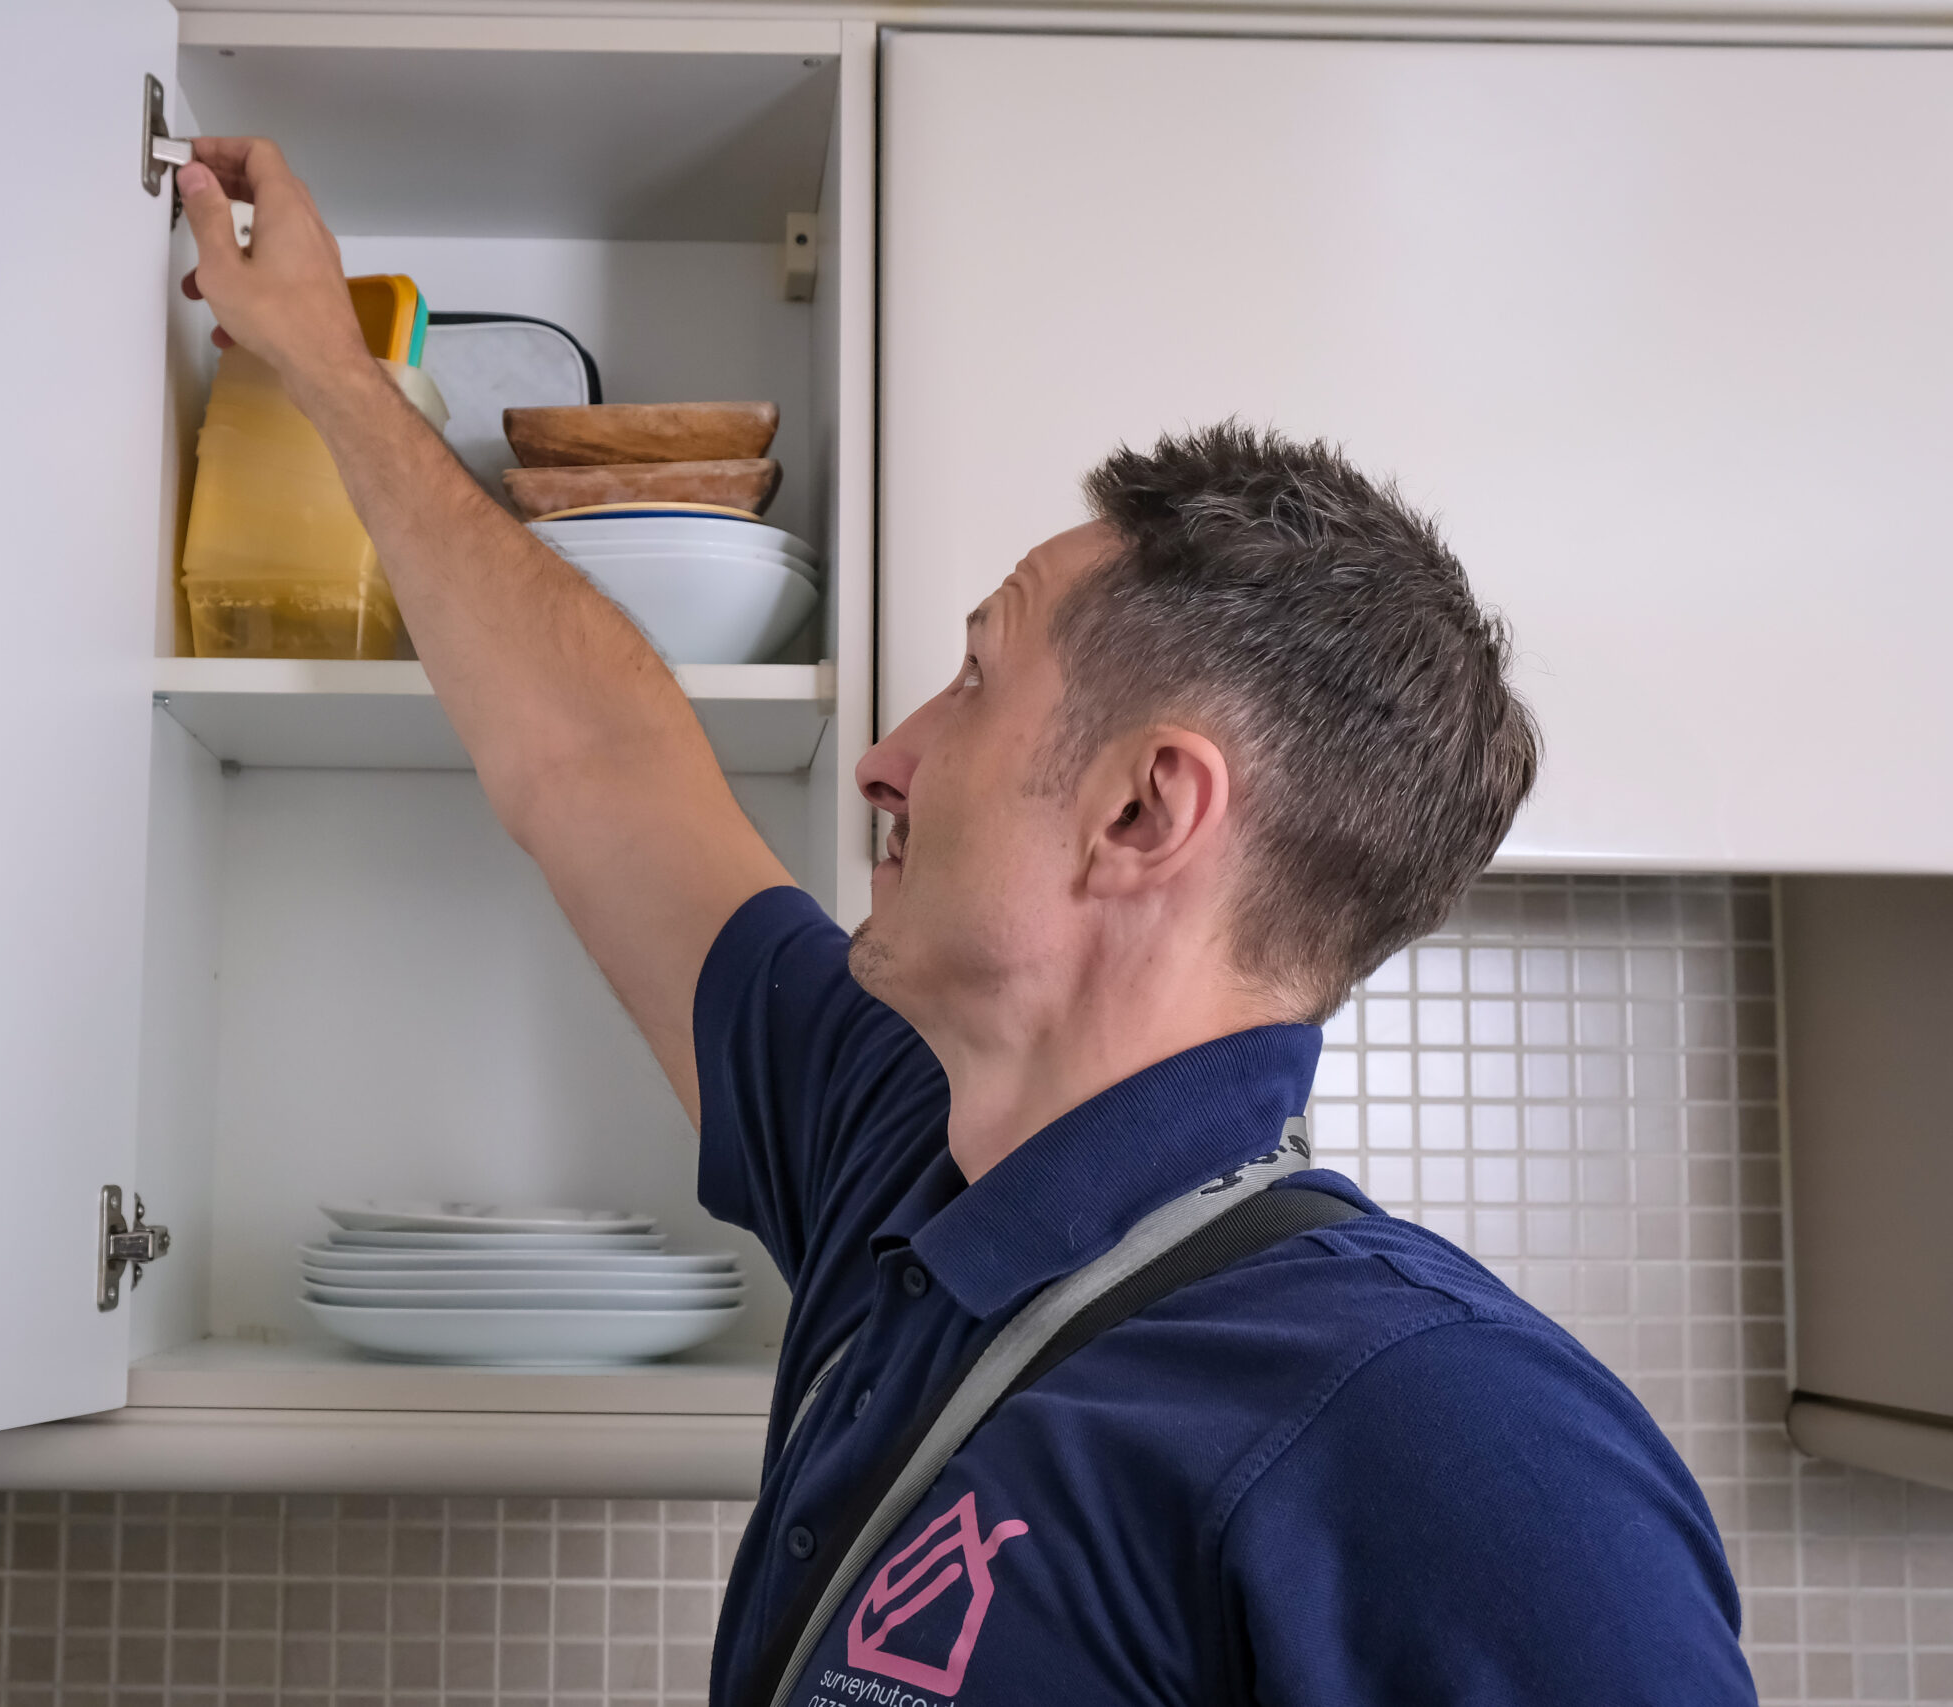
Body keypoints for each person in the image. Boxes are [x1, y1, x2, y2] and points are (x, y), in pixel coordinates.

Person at [171, 141, 1755, 1704]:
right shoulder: (899, 1154)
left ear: (1143, 812)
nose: (886, 758)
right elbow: (595, 765)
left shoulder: (1453, 1442)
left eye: (978, 676)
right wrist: (325, 353)